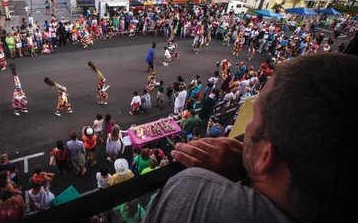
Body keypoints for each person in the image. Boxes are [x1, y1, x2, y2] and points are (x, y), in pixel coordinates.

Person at [143, 53, 349, 223]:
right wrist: (250, 172)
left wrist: (240, 170)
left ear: (266, 155)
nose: (248, 126)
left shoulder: (192, 190)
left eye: (254, 118)